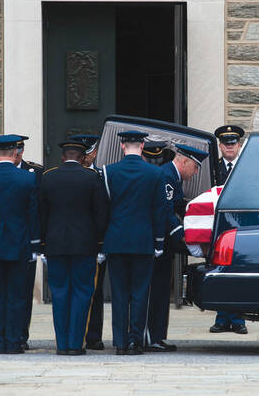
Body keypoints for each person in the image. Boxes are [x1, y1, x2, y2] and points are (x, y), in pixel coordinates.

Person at [39, 140, 109, 355]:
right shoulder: (92, 177)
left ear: (63, 157)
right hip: (85, 245)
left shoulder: (48, 177)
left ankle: (62, 344)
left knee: (59, 294)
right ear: (82, 158)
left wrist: (42, 245)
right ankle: (76, 344)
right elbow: (101, 214)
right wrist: (100, 244)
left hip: (55, 244)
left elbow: (41, 214)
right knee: (82, 293)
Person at [0, 134, 40, 354]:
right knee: (17, 295)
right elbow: (33, 216)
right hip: (19, 244)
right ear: (15, 153)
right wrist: (34, 246)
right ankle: (13, 341)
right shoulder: (28, 179)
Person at [102, 130, 166, 355]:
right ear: (141, 146)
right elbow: (159, 212)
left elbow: (104, 211)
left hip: (116, 240)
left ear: (122, 146)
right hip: (143, 240)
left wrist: (102, 243)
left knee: (119, 293)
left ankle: (120, 342)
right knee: (140, 293)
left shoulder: (108, 172)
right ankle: (135, 341)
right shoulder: (155, 173)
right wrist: (159, 243)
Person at [145, 143, 209, 352]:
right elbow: (165, 213)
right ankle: (152, 338)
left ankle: (157, 336)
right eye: (196, 166)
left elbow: (179, 206)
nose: (196, 172)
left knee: (162, 291)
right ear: (184, 162)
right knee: (156, 292)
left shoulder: (173, 177)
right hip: (158, 245)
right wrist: (184, 238)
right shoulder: (166, 177)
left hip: (164, 246)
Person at [209, 125, 248, 335]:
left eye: (233, 143)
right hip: (219, 228)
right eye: (225, 143)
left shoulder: (246, 168)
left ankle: (238, 318)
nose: (229, 147)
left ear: (239, 145)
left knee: (238, 272)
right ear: (220, 146)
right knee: (220, 272)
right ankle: (221, 318)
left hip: (240, 228)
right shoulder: (213, 169)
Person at [13, 135, 44, 351]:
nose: (16, 155)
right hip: (4, 241)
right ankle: (5, 334)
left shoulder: (36, 172)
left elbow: (40, 209)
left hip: (26, 241)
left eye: (18, 152)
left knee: (24, 292)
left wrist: (38, 243)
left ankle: (21, 334)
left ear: (22, 152)